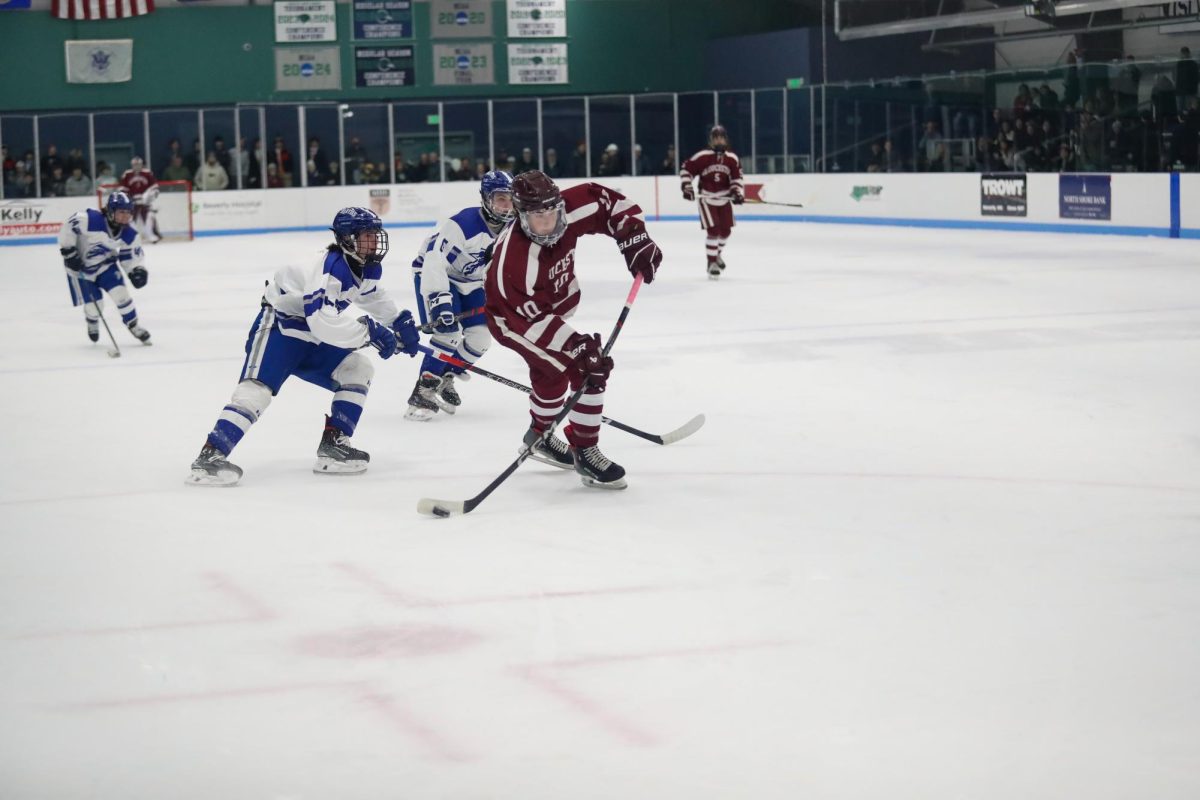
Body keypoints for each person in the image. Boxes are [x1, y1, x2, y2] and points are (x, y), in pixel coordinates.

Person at [186, 208, 421, 487]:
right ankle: (210, 455)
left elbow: (369, 295)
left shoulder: (360, 265)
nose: (374, 242)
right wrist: (369, 332)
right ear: (347, 239)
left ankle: (334, 446)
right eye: (367, 236)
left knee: (357, 368)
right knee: (256, 392)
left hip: (312, 335)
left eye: (374, 235)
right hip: (281, 330)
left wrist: (396, 320)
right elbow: (322, 321)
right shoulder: (329, 271)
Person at [484, 170, 662, 490]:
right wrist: (579, 346)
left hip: (552, 302)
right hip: (514, 320)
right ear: (521, 216)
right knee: (586, 365)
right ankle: (586, 451)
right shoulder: (513, 262)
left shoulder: (568, 206)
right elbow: (531, 321)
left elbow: (612, 205)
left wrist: (635, 238)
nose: (548, 222)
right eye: (538, 216)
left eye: (552, 212)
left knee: (550, 377)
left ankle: (539, 436)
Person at [405, 170, 515, 421]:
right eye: (500, 199)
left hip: (473, 282)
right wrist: (440, 301)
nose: (506, 206)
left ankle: (446, 377)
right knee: (448, 331)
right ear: (486, 198)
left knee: (481, 338)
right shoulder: (461, 225)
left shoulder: (512, 228)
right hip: (436, 276)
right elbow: (434, 263)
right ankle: (423, 391)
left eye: (510, 199)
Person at [57, 190, 152, 347]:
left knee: (122, 294)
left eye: (128, 212)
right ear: (110, 211)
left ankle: (134, 326)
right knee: (95, 307)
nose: (125, 216)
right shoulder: (90, 220)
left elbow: (130, 257)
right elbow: (68, 227)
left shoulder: (130, 233)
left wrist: (137, 270)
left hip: (106, 266)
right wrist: (69, 252)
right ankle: (92, 319)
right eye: (121, 212)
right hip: (81, 270)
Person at [679, 125, 744, 279]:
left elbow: (736, 178)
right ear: (711, 140)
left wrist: (736, 192)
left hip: (724, 198)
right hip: (706, 198)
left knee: (726, 231)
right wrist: (687, 187)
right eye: (715, 137)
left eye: (721, 137)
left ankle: (717, 254)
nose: (718, 140)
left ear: (725, 139)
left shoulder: (732, 158)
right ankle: (711, 263)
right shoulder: (702, 156)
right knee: (713, 231)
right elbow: (685, 169)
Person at [119, 156, 161, 244]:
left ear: (142, 165)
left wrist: (149, 197)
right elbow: (122, 188)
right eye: (135, 164)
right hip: (132, 201)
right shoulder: (127, 174)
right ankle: (131, 237)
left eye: (139, 164)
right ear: (132, 165)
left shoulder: (147, 173)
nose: (137, 166)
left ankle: (151, 235)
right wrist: (128, 198)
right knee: (129, 219)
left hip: (145, 202)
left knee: (149, 217)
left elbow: (154, 187)